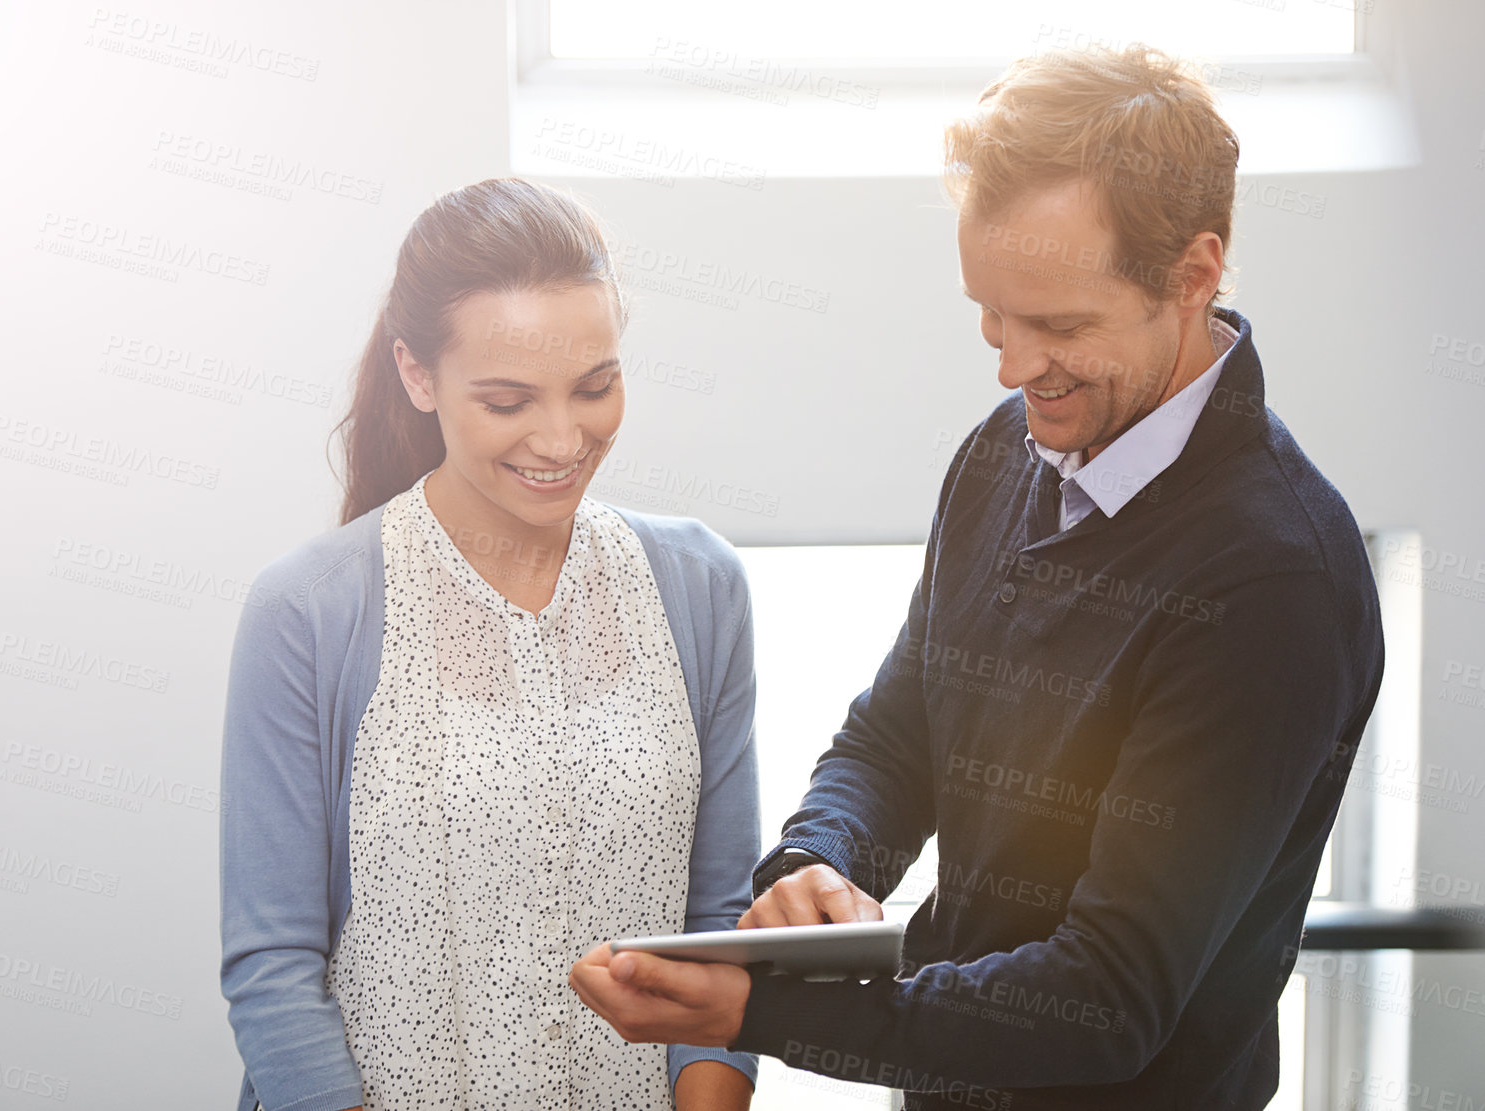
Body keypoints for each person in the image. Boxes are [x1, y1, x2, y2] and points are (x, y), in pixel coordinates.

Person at [569, 45, 1387, 1110]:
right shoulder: (1009, 449)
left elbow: (1104, 999)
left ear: (1192, 275)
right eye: (992, 314)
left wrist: (752, 1012)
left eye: (1059, 325)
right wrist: (815, 866)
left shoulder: (1273, 583)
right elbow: (898, 731)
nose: (1010, 365)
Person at [219, 177, 760, 1111]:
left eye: (595, 386)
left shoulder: (699, 587)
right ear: (417, 373)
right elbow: (273, 967)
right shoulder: (307, 612)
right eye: (508, 400)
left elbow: (716, 923)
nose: (563, 437)